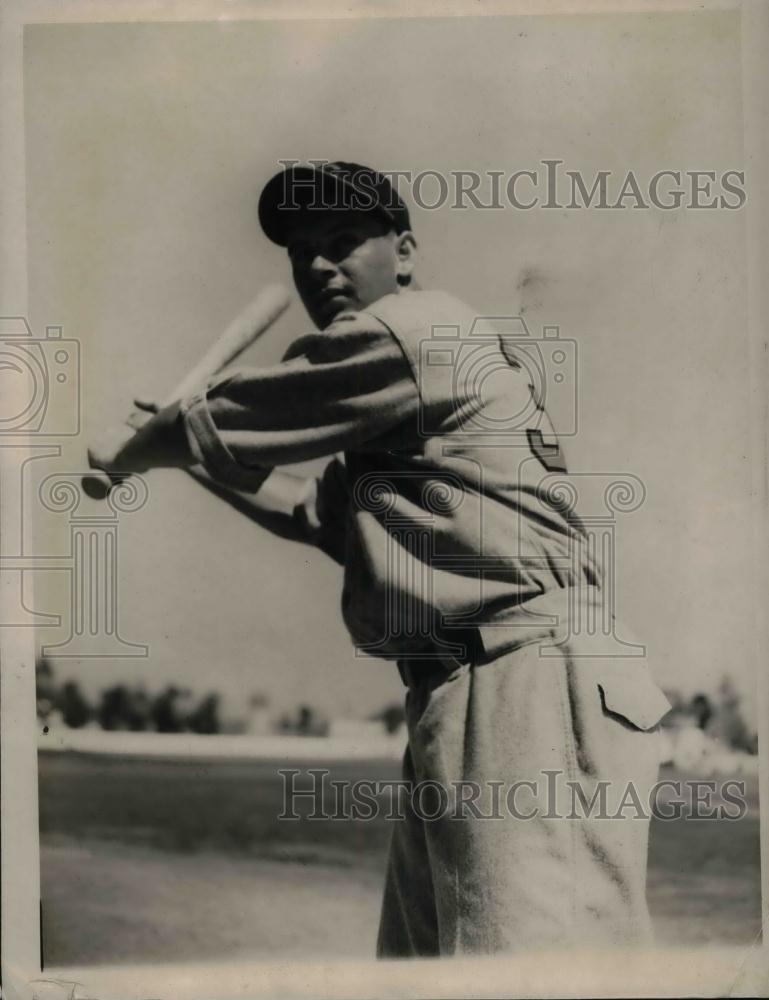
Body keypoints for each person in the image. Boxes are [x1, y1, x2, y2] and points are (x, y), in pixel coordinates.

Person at [89, 161, 671, 957]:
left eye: (342, 241)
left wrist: (162, 441)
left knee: (533, 971)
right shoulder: (396, 395)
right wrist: (185, 453)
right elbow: (309, 511)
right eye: (303, 254)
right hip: (469, 690)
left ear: (403, 250)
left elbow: (242, 413)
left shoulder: (414, 331)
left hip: (527, 681)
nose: (319, 266)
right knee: (428, 968)